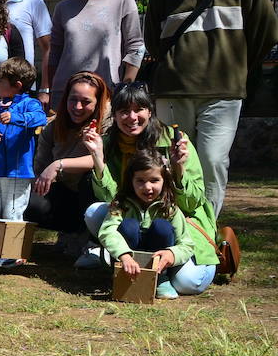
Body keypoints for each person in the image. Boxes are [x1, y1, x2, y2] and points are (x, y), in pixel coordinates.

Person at [138, 0, 278, 216]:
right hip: (174, 92)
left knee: (213, 162)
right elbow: (153, 40)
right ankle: (172, 227)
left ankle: (205, 229)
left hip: (223, 92)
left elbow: (267, 34)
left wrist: (234, 64)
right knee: (171, 161)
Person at [80, 83, 219, 294]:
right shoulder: (108, 143)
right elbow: (113, 201)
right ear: (115, 115)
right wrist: (98, 159)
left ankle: (166, 268)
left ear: (150, 111)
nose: (132, 117)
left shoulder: (175, 141)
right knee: (94, 212)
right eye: (124, 111)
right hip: (133, 217)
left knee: (188, 283)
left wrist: (178, 169)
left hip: (177, 220)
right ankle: (131, 264)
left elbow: (193, 202)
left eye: (139, 109)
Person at [26, 71, 111, 265]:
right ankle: (70, 233)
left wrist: (59, 164)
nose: (78, 107)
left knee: (92, 178)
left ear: (98, 102)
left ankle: (92, 242)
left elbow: (99, 162)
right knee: (30, 202)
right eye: (73, 100)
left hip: (99, 197)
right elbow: (39, 170)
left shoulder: (109, 125)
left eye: (86, 101)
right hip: (65, 194)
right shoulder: (53, 127)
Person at [99, 151, 208, 299]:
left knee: (161, 227)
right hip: (127, 259)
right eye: (140, 181)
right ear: (131, 181)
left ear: (164, 180)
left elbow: (187, 244)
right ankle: (123, 276)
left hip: (158, 263)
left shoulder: (170, 208)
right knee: (128, 225)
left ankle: (160, 279)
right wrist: (124, 255)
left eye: (154, 180)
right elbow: (107, 232)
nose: (147, 187)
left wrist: (172, 254)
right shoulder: (120, 204)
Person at [47, 0, 143, 100]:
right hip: (65, 95)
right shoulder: (63, 8)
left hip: (106, 92)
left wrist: (125, 87)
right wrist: (50, 90)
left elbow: (136, 47)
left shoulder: (122, 0)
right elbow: (54, 53)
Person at [0, 58, 48, 267]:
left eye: (0, 80)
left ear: (16, 85)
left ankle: (11, 251)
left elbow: (40, 119)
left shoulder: (30, 104)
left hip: (18, 172)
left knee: (13, 210)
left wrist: (15, 117)